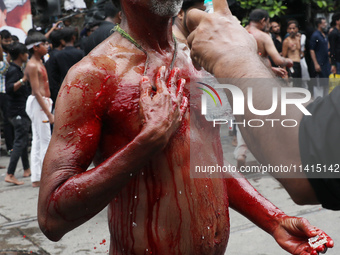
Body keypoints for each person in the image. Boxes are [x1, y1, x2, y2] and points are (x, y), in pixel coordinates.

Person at [38, 0, 333, 254]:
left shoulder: (200, 62)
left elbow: (209, 162)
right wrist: (147, 143)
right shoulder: (92, 75)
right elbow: (52, 217)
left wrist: (274, 220)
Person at [186, 0, 340, 210]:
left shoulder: (237, 33)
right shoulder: (260, 36)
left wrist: (230, 58)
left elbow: (309, 169)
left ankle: (240, 151)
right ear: (264, 21)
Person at [24, 32, 53, 187]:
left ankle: (37, 177)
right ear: (35, 47)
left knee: (38, 140)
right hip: (39, 104)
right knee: (44, 140)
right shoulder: (33, 65)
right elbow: (36, 92)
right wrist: (49, 113)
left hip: (41, 103)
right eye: (44, 44)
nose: (46, 46)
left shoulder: (37, 62)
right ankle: (44, 177)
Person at [4, 42, 31, 185]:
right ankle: (10, 173)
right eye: (26, 53)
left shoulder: (18, 68)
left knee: (23, 139)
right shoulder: (14, 70)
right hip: (17, 110)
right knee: (20, 141)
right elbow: (9, 88)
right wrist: (23, 80)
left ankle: (27, 169)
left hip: (20, 109)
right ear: (21, 55)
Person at [245, 9, 292, 78]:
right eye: (268, 22)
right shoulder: (263, 36)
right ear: (263, 21)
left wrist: (271, 69)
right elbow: (278, 61)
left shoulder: (241, 33)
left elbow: (252, 62)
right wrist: (288, 61)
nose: (268, 25)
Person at [47, 27, 84, 108]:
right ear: (73, 38)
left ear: (62, 40)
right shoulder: (80, 53)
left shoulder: (58, 55)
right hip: (80, 90)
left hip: (64, 91)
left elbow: (53, 76)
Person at [310, 17, 331, 97]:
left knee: (326, 85)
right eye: (324, 23)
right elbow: (312, 50)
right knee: (319, 86)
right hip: (319, 62)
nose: (325, 24)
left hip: (325, 63)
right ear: (319, 24)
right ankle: (318, 104)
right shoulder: (315, 35)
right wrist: (316, 64)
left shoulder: (324, 35)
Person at [0, 30, 12, 156]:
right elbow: (2, 70)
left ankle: (11, 148)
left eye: (9, 41)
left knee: (9, 122)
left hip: (7, 91)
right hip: (1, 91)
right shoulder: (3, 55)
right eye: (5, 41)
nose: (8, 43)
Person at [282, 20, 303, 87]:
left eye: (293, 28)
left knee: (298, 85)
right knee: (292, 86)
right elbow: (283, 57)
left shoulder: (298, 39)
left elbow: (300, 53)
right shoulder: (286, 41)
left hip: (299, 64)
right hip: (291, 65)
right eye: (290, 28)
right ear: (287, 30)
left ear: (297, 29)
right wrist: (285, 72)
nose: (292, 30)